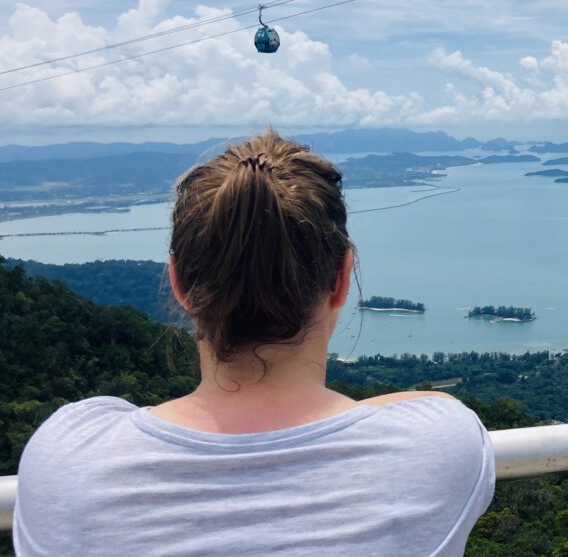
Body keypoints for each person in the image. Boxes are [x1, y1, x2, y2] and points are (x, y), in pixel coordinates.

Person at [13, 130, 494, 556]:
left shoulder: (69, 457)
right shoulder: (436, 448)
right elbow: (431, 406)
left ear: (179, 284)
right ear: (341, 279)